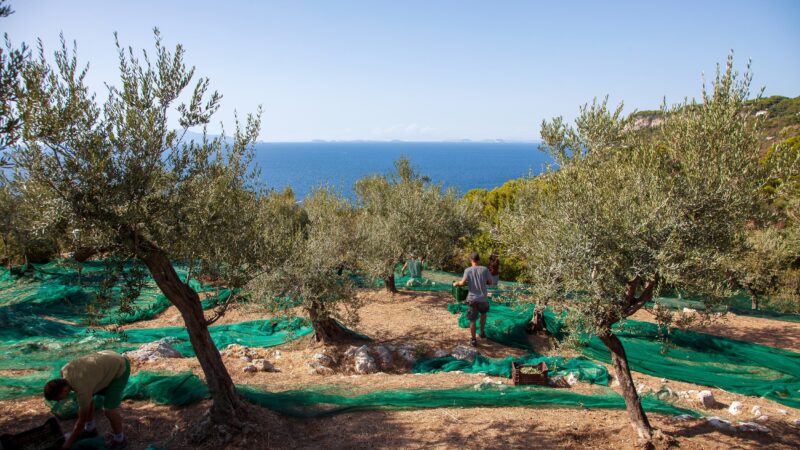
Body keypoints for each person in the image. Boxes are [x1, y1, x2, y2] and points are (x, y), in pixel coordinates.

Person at [44, 350, 130, 450]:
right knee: (87, 401)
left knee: (109, 410)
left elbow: (81, 421)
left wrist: (68, 443)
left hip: (120, 366)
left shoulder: (81, 389)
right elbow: (87, 400)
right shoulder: (64, 370)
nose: (60, 401)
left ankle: (120, 439)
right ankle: (90, 429)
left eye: (59, 399)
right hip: (106, 357)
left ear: (64, 391)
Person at [453, 252, 493, 346]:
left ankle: (474, 340)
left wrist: (456, 283)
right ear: (478, 260)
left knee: (472, 320)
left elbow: (462, 283)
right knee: (483, 314)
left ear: (471, 260)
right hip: (483, 298)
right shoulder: (484, 269)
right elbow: (490, 282)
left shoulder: (468, 270)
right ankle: (482, 332)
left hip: (472, 299)